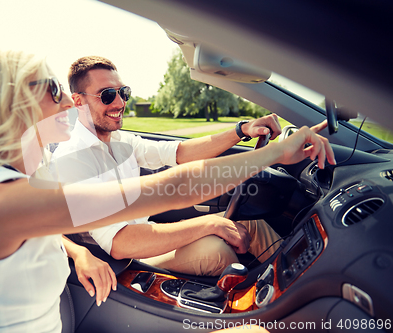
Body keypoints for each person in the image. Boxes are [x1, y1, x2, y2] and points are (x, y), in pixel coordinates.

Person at [0, 49, 334, 332]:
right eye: (53, 90)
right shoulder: (0, 200)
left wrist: (76, 251)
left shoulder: (11, 187)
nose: (68, 101)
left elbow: (178, 156)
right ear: (11, 103)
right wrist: (275, 153)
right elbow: (169, 189)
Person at [49, 56, 285, 276]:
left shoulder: (121, 140)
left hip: (148, 235)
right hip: (127, 260)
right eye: (107, 95)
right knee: (215, 251)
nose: (120, 103)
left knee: (251, 223)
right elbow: (120, 243)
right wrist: (209, 223)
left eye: (124, 92)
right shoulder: (73, 159)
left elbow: (180, 152)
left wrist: (241, 130)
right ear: (78, 101)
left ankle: (292, 283)